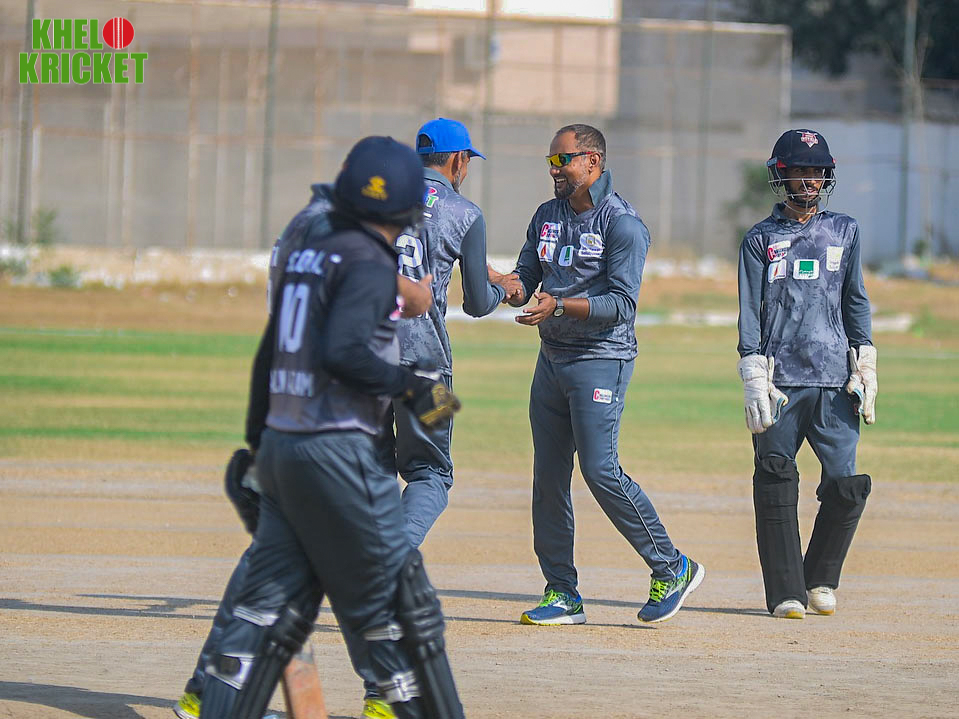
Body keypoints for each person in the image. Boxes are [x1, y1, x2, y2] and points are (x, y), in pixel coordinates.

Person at [196, 135, 465, 719]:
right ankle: (402, 701)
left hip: (285, 442)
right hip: (338, 446)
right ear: (405, 211)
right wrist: (416, 389)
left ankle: (212, 704)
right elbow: (343, 352)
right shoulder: (368, 261)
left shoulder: (310, 254)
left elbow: (269, 353)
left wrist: (259, 442)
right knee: (403, 594)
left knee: (265, 606)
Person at [499, 123, 704, 626]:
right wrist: (505, 283)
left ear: (592, 161)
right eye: (550, 161)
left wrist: (560, 305)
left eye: (561, 160)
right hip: (551, 360)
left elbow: (622, 305)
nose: (554, 170)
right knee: (548, 479)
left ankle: (672, 566)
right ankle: (562, 593)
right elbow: (527, 279)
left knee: (600, 470)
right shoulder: (546, 216)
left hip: (601, 358)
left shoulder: (622, 224)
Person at [736, 128, 876, 619]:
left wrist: (865, 360)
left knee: (845, 484)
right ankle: (785, 593)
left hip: (835, 380)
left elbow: (855, 300)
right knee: (775, 479)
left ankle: (819, 579)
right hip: (779, 380)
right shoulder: (760, 239)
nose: (809, 180)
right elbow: (749, 311)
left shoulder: (845, 231)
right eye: (799, 170)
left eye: (817, 171)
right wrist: (752, 370)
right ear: (781, 175)